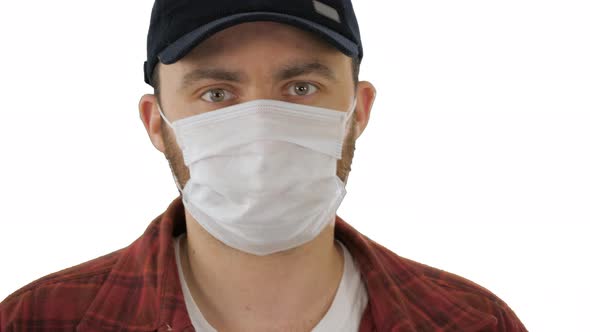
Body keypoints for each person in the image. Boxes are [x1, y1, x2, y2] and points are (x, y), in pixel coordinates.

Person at [0, 1, 528, 331]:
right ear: (156, 123)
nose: (260, 126)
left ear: (358, 110)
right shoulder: (40, 321)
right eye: (216, 93)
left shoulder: (473, 323)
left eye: (301, 88)